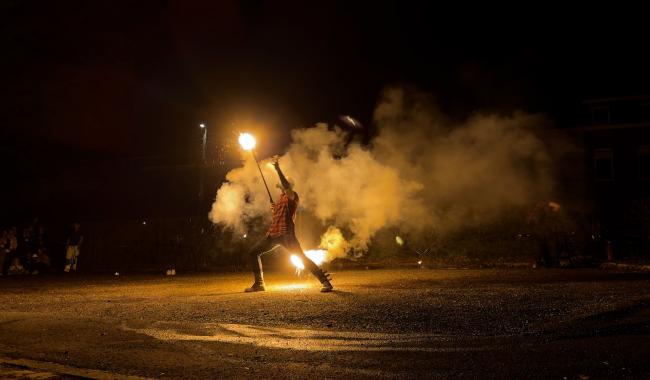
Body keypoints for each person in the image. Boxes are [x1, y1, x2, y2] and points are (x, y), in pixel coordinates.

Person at [245, 157, 333, 293]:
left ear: (288, 185)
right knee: (253, 252)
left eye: (285, 181)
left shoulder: (293, 196)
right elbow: (277, 216)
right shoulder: (280, 199)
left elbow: (286, 187)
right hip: (273, 235)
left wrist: (277, 168)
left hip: (287, 235)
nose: (281, 182)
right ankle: (259, 284)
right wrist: (274, 208)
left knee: (302, 258)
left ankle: (325, 282)